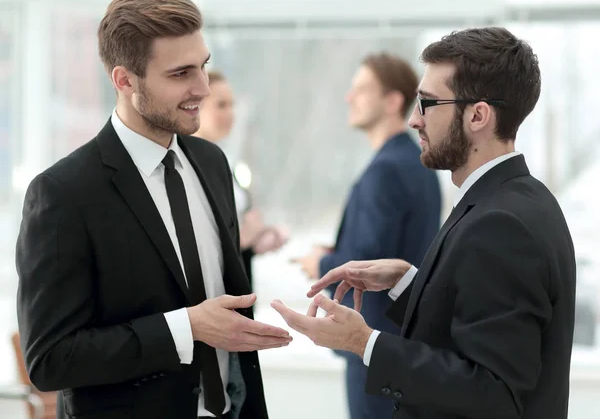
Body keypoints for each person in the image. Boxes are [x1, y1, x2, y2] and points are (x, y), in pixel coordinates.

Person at [272, 26, 576, 419]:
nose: (415, 120)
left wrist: (365, 343)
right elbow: (476, 317)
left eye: (428, 104)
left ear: (478, 115)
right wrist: (407, 281)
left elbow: (494, 393)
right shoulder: (514, 199)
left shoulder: (502, 223)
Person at [15, 0, 292, 419]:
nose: (202, 88)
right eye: (180, 74)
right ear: (125, 80)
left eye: (203, 66)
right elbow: (50, 359)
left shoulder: (211, 162)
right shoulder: (63, 194)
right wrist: (188, 327)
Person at [292, 52, 441, 419]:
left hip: (373, 344)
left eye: (361, 89)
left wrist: (320, 262)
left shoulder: (385, 171)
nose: (349, 97)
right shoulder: (418, 164)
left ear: (392, 101)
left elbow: (366, 264)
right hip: (405, 343)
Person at [194, 70, 288, 290]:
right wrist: (245, 239)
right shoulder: (187, 167)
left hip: (239, 284)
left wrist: (259, 238)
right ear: (195, 106)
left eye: (232, 105)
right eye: (221, 105)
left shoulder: (221, 161)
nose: (231, 114)